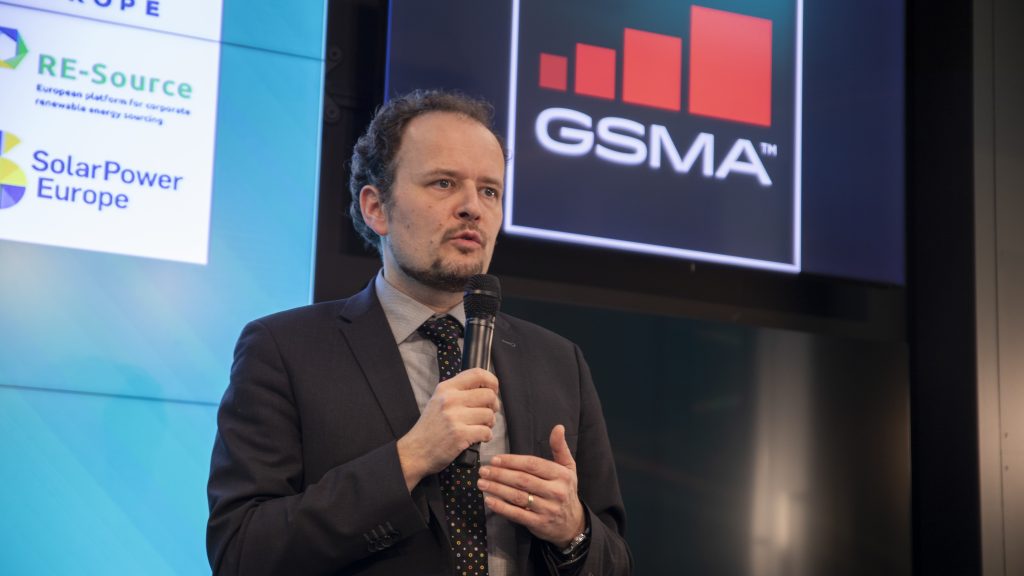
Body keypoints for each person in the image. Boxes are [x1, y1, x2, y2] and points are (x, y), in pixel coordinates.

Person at [207, 89, 632, 575]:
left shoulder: (559, 362)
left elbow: (615, 560)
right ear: (376, 208)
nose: (472, 207)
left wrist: (572, 529)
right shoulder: (285, 350)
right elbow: (241, 551)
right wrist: (411, 457)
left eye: (489, 191)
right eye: (444, 183)